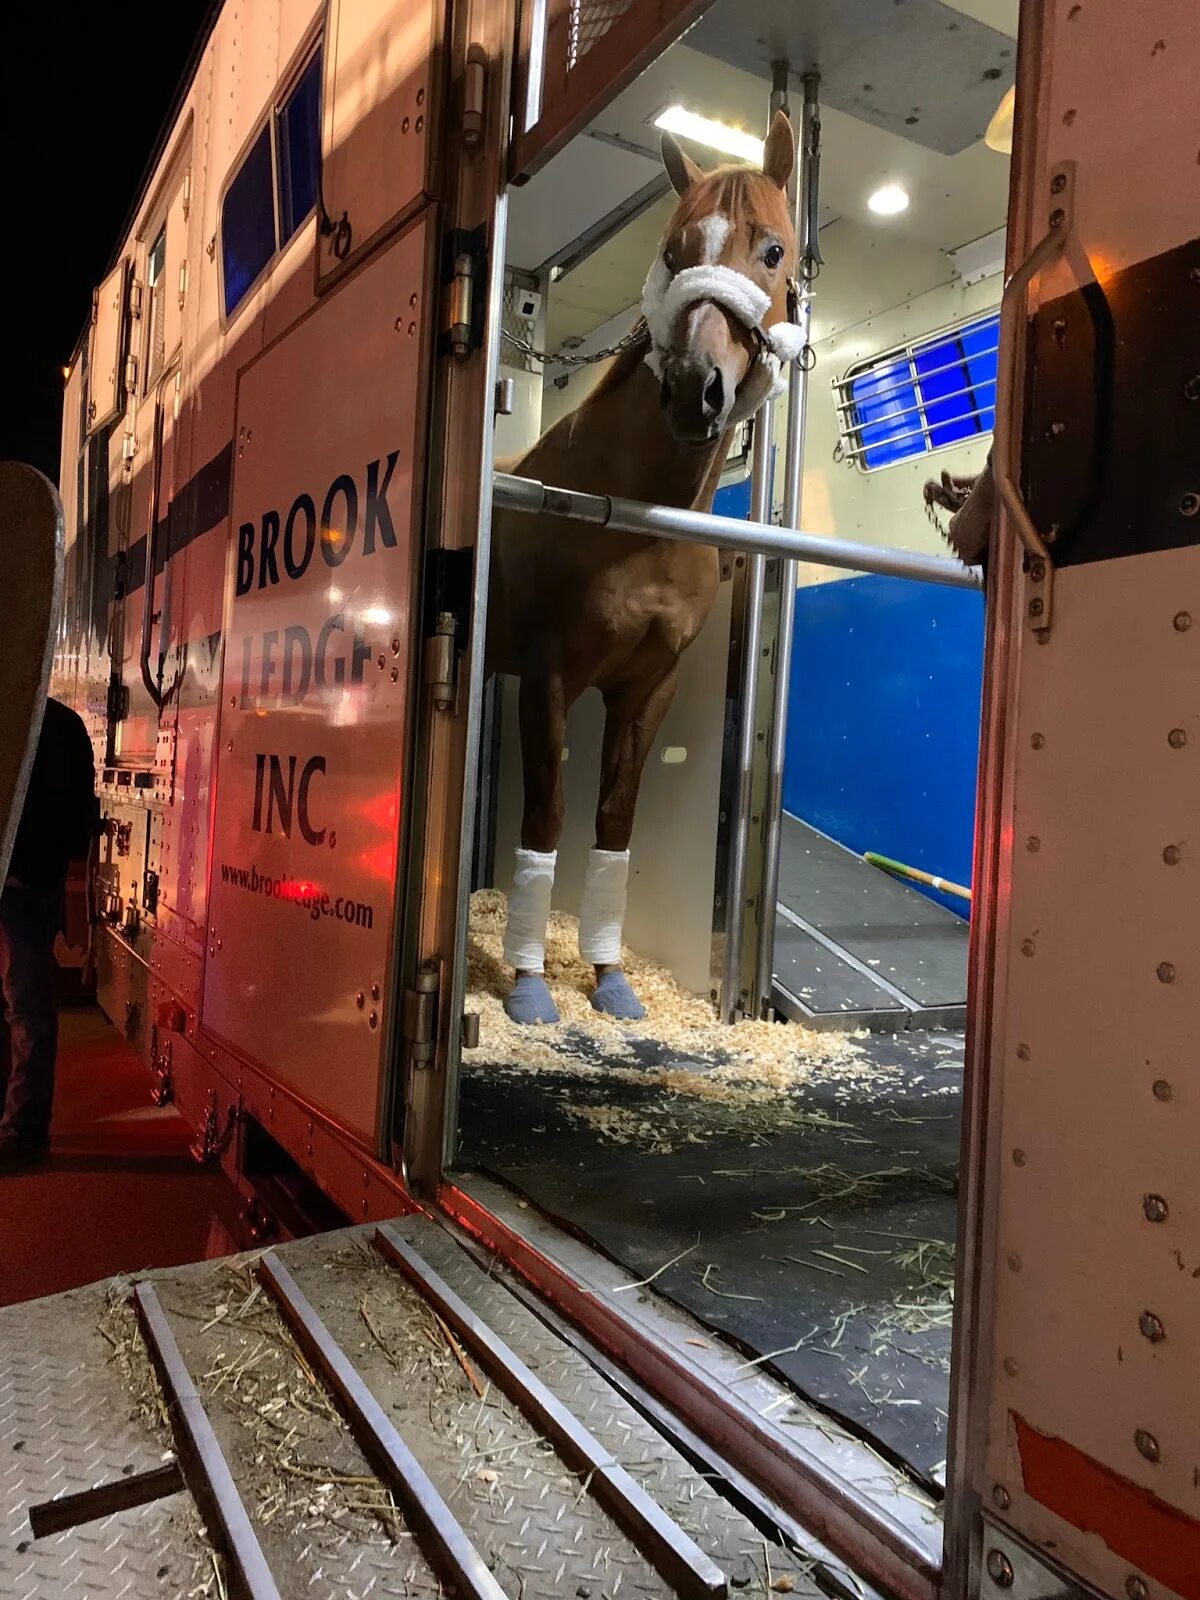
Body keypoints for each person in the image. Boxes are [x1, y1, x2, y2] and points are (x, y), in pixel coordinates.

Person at [0, 696, 97, 1173]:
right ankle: (21, 1129)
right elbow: (78, 821)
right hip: (30, 884)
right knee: (27, 1009)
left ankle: (22, 1133)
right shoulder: (63, 724)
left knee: (26, 1010)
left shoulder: (40, 722)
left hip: (22, 885)